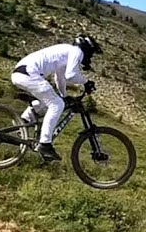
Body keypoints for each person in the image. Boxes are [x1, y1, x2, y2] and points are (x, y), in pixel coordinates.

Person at [10, 34, 103, 162]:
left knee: (53, 100)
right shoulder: (76, 51)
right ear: (87, 48)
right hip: (29, 74)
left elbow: (60, 78)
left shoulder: (65, 51)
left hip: (22, 73)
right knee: (56, 104)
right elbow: (71, 75)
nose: (90, 57)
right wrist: (86, 82)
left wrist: (63, 95)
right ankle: (45, 144)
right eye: (91, 53)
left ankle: (24, 120)